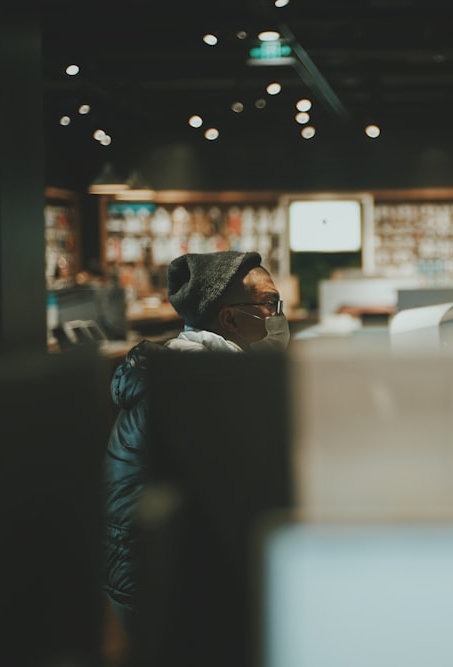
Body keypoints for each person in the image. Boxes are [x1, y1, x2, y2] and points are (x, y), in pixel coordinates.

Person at [103, 250, 288, 644]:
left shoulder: (199, 371)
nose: (278, 316)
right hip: (160, 587)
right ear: (230, 319)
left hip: (171, 572)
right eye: (270, 304)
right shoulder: (196, 387)